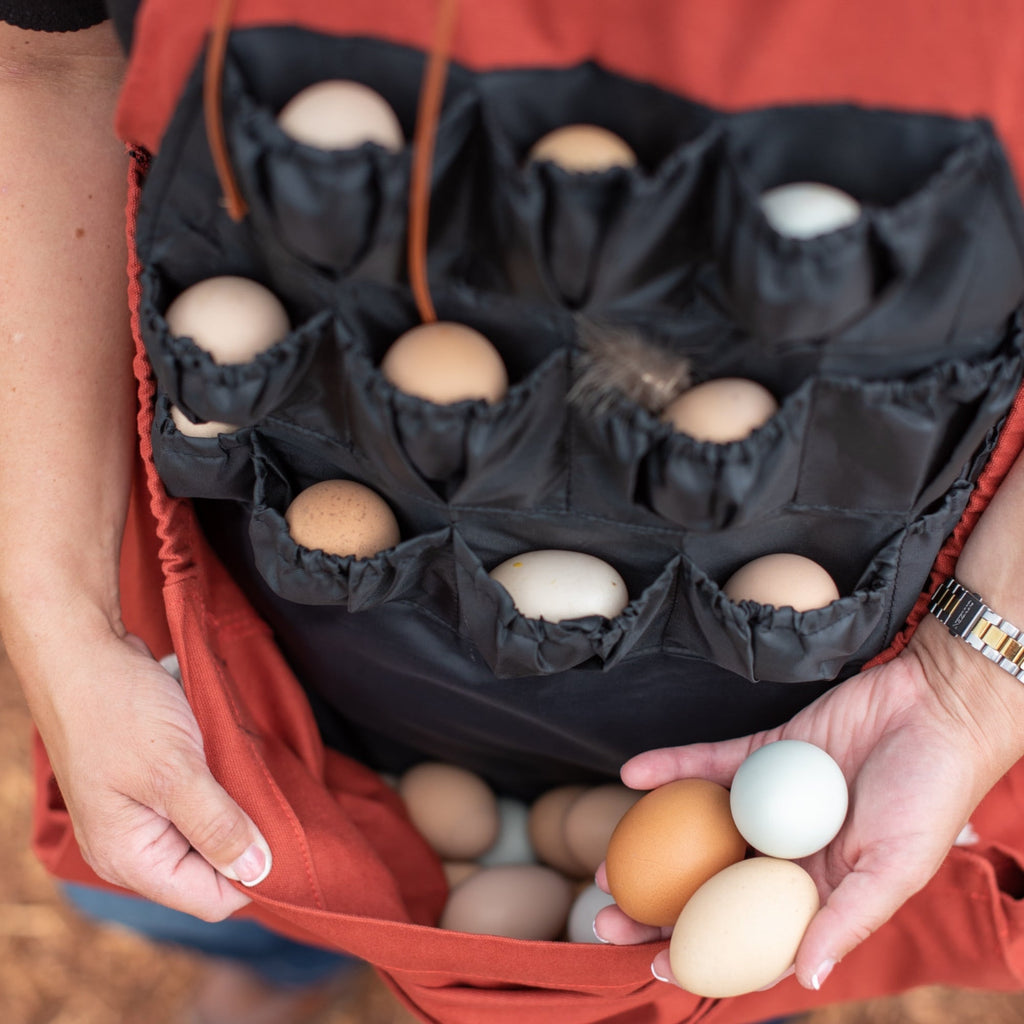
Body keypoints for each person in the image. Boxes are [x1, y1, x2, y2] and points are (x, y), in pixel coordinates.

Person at [1, 2, 1023, 1022]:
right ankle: (281, 966)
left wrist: (974, 679)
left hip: (796, 709)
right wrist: (61, 622)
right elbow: (44, 67)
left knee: (696, 942)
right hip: (293, 629)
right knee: (246, 875)